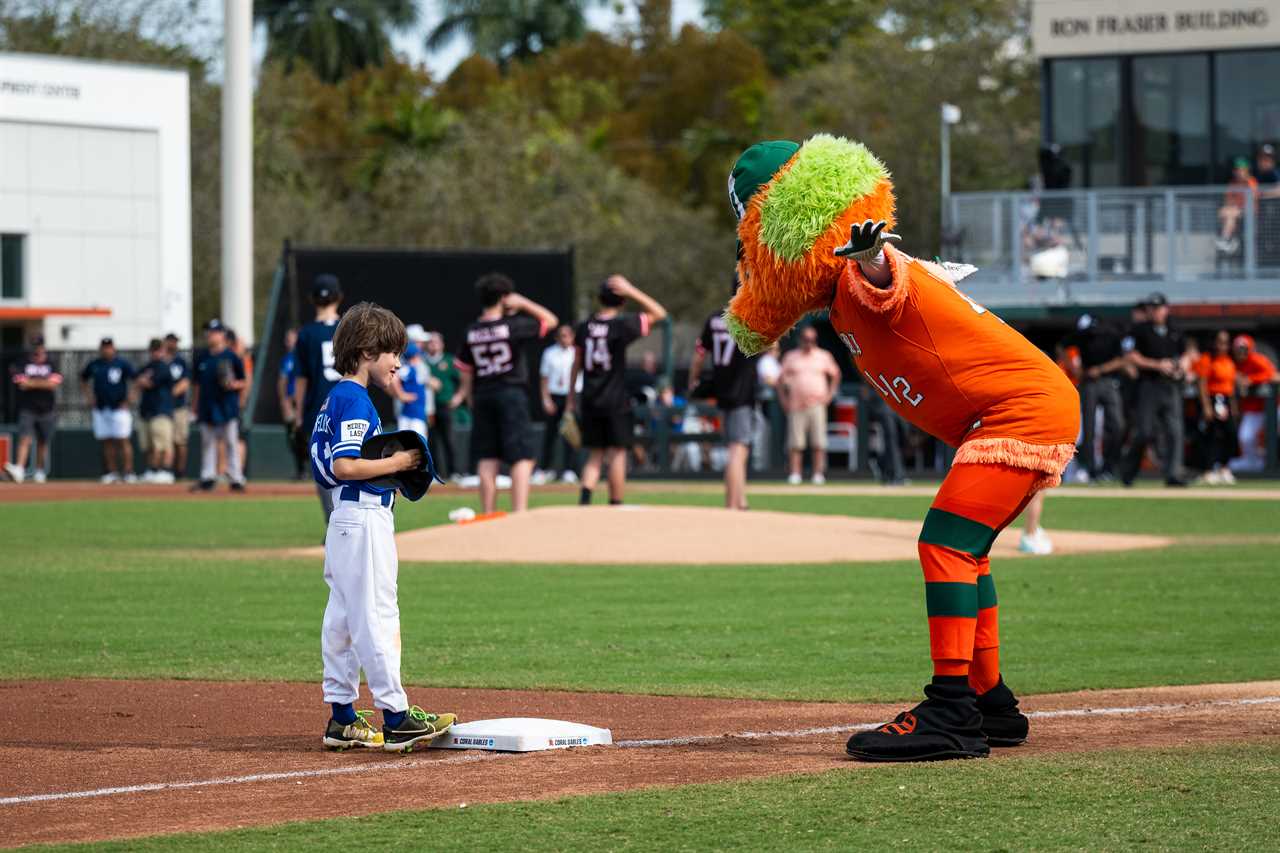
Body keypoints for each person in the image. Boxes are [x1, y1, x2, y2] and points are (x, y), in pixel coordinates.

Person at [725, 136, 1078, 762]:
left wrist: (871, 259)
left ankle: (949, 711)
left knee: (943, 544)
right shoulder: (835, 298)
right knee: (969, 554)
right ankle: (988, 701)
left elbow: (885, 284)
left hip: (1019, 412)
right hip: (1015, 412)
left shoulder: (862, 274)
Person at [309, 301, 457, 752]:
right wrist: (399, 461)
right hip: (363, 519)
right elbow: (345, 464)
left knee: (342, 619)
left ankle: (342, 718)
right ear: (367, 350)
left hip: (343, 521)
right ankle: (396, 716)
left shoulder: (335, 397)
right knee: (375, 615)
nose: (397, 361)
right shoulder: (355, 399)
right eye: (392, 352)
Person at [453, 272, 558, 514]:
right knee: (522, 457)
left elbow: (465, 371)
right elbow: (551, 320)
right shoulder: (512, 326)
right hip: (511, 393)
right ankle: (519, 513)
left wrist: (470, 399)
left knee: (487, 458)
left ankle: (488, 513)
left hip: (483, 395)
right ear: (504, 297)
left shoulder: (472, 330)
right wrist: (523, 303)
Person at [569, 275, 667, 505]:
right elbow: (660, 314)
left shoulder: (584, 328)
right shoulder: (621, 325)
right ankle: (615, 502)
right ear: (621, 302)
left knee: (595, 454)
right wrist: (631, 289)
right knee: (618, 452)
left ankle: (584, 501)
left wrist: (571, 398)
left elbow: (576, 363)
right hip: (615, 399)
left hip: (590, 397)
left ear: (599, 299)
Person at [688, 274, 758, 511]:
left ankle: (740, 499)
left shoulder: (714, 318)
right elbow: (773, 346)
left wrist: (693, 382)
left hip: (722, 389)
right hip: (742, 391)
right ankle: (732, 505)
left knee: (737, 447)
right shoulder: (751, 315)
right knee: (737, 449)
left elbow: (699, 355)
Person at [1121, 293, 1189, 487]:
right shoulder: (1139, 330)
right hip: (1149, 385)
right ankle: (1128, 470)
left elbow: (1186, 353)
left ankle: (1173, 474)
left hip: (1171, 385)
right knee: (1144, 431)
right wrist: (1158, 365)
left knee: (1174, 431)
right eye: (1151, 308)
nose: (1155, 312)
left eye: (1158, 308)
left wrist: (1181, 366)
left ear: (1166, 309)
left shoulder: (1174, 329)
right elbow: (1131, 356)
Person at [293, 275, 344, 523]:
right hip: (348, 405)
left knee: (324, 469)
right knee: (351, 462)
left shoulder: (305, 334)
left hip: (318, 409)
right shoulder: (348, 327)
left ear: (313, 300)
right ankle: (349, 519)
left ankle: (333, 523)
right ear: (339, 298)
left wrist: (298, 413)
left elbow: (301, 378)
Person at [778, 325, 841, 485]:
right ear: (800, 339)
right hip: (796, 404)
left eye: (812, 340)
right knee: (795, 443)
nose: (809, 343)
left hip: (817, 404)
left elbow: (835, 375)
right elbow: (780, 380)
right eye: (806, 339)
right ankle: (795, 474)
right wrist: (784, 400)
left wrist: (829, 395)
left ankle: (818, 474)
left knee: (818, 442)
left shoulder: (823, 356)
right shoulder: (791, 357)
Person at [1071, 314, 1130, 482]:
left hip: (1109, 381)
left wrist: (1101, 369)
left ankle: (1108, 467)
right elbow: (1063, 346)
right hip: (1088, 383)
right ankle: (1091, 469)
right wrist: (1076, 370)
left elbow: (1122, 360)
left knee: (1117, 425)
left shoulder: (1111, 336)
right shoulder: (1081, 337)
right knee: (1088, 429)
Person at [191, 319, 247, 492]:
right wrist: (194, 406)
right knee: (208, 443)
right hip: (207, 405)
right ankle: (208, 477)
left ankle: (236, 478)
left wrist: (233, 385)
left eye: (214, 331)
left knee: (230, 441)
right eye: (209, 331)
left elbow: (243, 381)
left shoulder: (231, 356)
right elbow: (196, 385)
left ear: (222, 334)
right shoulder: (202, 356)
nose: (210, 335)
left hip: (227, 406)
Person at [5, 336, 61, 484]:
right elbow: (20, 382)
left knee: (43, 441)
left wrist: (32, 383)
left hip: (47, 408)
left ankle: (40, 471)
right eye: (34, 346)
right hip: (28, 407)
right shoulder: (23, 362)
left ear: (43, 346)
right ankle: (20, 469)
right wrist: (43, 382)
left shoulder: (51, 362)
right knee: (25, 438)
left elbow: (53, 384)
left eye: (39, 346)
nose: (37, 349)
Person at [80, 337, 137, 483]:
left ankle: (128, 472)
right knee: (107, 441)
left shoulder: (122, 363)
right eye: (104, 347)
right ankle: (111, 472)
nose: (107, 350)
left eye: (109, 347)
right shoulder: (95, 364)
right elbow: (83, 379)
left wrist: (130, 398)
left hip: (119, 408)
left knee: (123, 440)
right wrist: (89, 397)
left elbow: (136, 380)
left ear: (113, 348)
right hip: (101, 408)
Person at [1229, 334, 1278, 473]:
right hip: (1254, 408)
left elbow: (1272, 375)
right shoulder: (1235, 364)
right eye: (1238, 349)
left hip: (1273, 407)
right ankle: (1253, 463)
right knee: (1246, 436)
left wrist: (1251, 379)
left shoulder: (1257, 360)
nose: (1241, 353)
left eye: (1244, 349)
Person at [136, 338, 181, 484]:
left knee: (163, 444)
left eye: (158, 349)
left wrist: (143, 381)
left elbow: (149, 383)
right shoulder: (147, 366)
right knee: (149, 445)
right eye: (153, 349)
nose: (156, 352)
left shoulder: (164, 367)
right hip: (147, 410)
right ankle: (153, 470)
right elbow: (136, 379)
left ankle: (166, 470)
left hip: (162, 410)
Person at [538, 324, 580, 483]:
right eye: (562, 335)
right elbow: (544, 377)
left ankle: (570, 470)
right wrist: (546, 399)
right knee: (551, 434)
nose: (566, 339)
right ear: (557, 337)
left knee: (571, 434)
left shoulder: (577, 352)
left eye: (569, 335)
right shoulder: (549, 353)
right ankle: (545, 469)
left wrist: (572, 401)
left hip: (573, 396)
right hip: (554, 396)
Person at [1196, 330, 1239, 485]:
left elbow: (1231, 385)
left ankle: (1224, 467)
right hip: (1213, 399)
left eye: (1226, 343)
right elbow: (1201, 383)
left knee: (1231, 434)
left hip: (1225, 400)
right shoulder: (1207, 359)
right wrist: (1206, 406)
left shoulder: (1228, 360)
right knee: (1213, 435)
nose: (1223, 346)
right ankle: (1208, 469)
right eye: (1220, 342)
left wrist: (1233, 405)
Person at [423, 331, 462, 478]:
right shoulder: (422, 362)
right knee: (431, 441)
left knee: (449, 440)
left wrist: (458, 397)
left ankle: (454, 472)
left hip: (445, 405)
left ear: (442, 344)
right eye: (430, 342)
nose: (433, 345)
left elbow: (463, 379)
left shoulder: (449, 360)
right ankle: (436, 472)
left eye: (436, 342)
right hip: (429, 408)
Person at [277, 328, 308, 479]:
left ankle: (313, 469)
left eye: (292, 338)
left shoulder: (304, 357)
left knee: (307, 436)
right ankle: (300, 470)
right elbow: (282, 382)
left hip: (304, 402)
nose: (290, 341)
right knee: (293, 437)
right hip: (291, 403)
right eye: (287, 339)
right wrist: (284, 401)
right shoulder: (286, 359)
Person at [392, 341, 436, 442]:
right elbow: (395, 378)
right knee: (417, 445)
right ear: (415, 356)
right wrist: (401, 394)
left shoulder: (414, 368)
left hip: (412, 413)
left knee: (409, 444)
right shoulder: (410, 369)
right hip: (413, 413)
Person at [164, 334, 192, 479]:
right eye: (171, 341)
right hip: (162, 409)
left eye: (175, 342)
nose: (173, 344)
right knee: (165, 442)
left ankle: (180, 472)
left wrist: (168, 394)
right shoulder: (160, 361)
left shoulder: (181, 362)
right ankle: (166, 472)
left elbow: (186, 382)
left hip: (179, 407)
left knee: (180, 441)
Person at [1216, 158, 1258, 254]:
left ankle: (1227, 240)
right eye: (1237, 170)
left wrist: (1236, 206)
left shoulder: (1251, 181)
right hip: (1237, 211)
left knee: (1230, 213)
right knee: (1225, 212)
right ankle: (1230, 240)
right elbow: (1228, 200)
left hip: (1250, 212)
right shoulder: (1233, 183)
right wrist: (1232, 205)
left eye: (1242, 170)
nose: (1239, 172)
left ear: (1246, 171)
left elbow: (1253, 197)